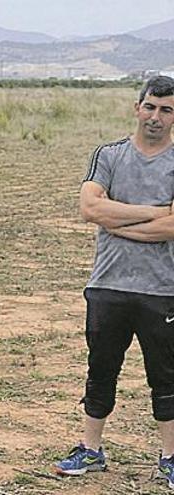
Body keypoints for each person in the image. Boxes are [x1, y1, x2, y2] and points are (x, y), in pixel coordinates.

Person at [54, 75, 174, 486]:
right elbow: (90, 208)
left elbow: (172, 227)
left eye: (166, 109)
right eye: (150, 107)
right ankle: (90, 450)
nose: (156, 117)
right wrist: (156, 212)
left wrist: (117, 217)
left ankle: (169, 457)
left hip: (163, 289)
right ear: (136, 107)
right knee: (101, 370)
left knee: (167, 376)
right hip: (108, 285)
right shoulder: (109, 155)